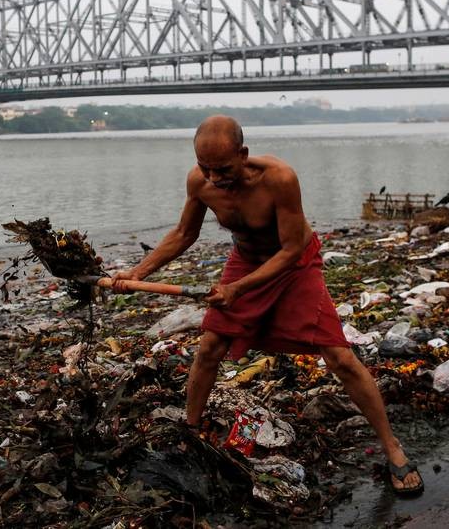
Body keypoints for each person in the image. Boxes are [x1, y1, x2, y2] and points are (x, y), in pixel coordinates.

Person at [111, 115, 424, 495]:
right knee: (210, 346)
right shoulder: (201, 182)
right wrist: (137, 273)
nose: (214, 178)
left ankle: (392, 447)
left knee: (339, 356)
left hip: (294, 265)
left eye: (223, 169)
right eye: (205, 168)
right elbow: (183, 234)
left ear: (243, 155)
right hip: (246, 259)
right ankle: (191, 432)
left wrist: (237, 289)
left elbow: (292, 249)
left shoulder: (279, 178)